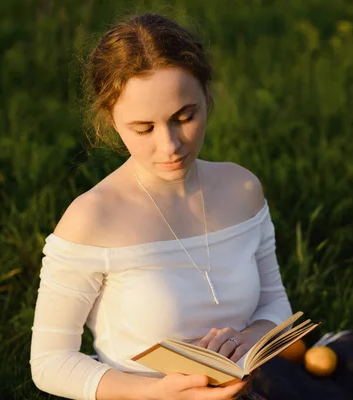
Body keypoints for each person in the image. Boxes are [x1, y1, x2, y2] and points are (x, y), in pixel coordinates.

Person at [30, 12, 294, 400]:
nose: (170, 146)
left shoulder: (242, 188)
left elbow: (276, 303)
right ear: (111, 120)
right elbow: (50, 362)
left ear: (207, 97)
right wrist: (159, 394)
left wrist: (247, 339)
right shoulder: (92, 218)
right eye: (143, 128)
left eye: (184, 117)